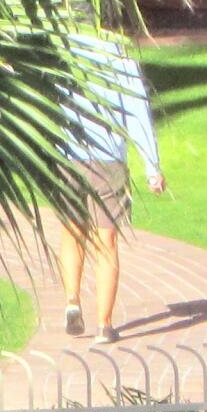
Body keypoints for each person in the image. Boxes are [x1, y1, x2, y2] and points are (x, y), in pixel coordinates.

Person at [53, 28, 168, 343]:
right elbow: (137, 113)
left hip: (68, 157)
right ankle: (104, 325)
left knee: (71, 232)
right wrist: (152, 168)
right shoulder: (119, 56)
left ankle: (72, 301)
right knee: (107, 242)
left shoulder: (62, 48)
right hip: (109, 161)